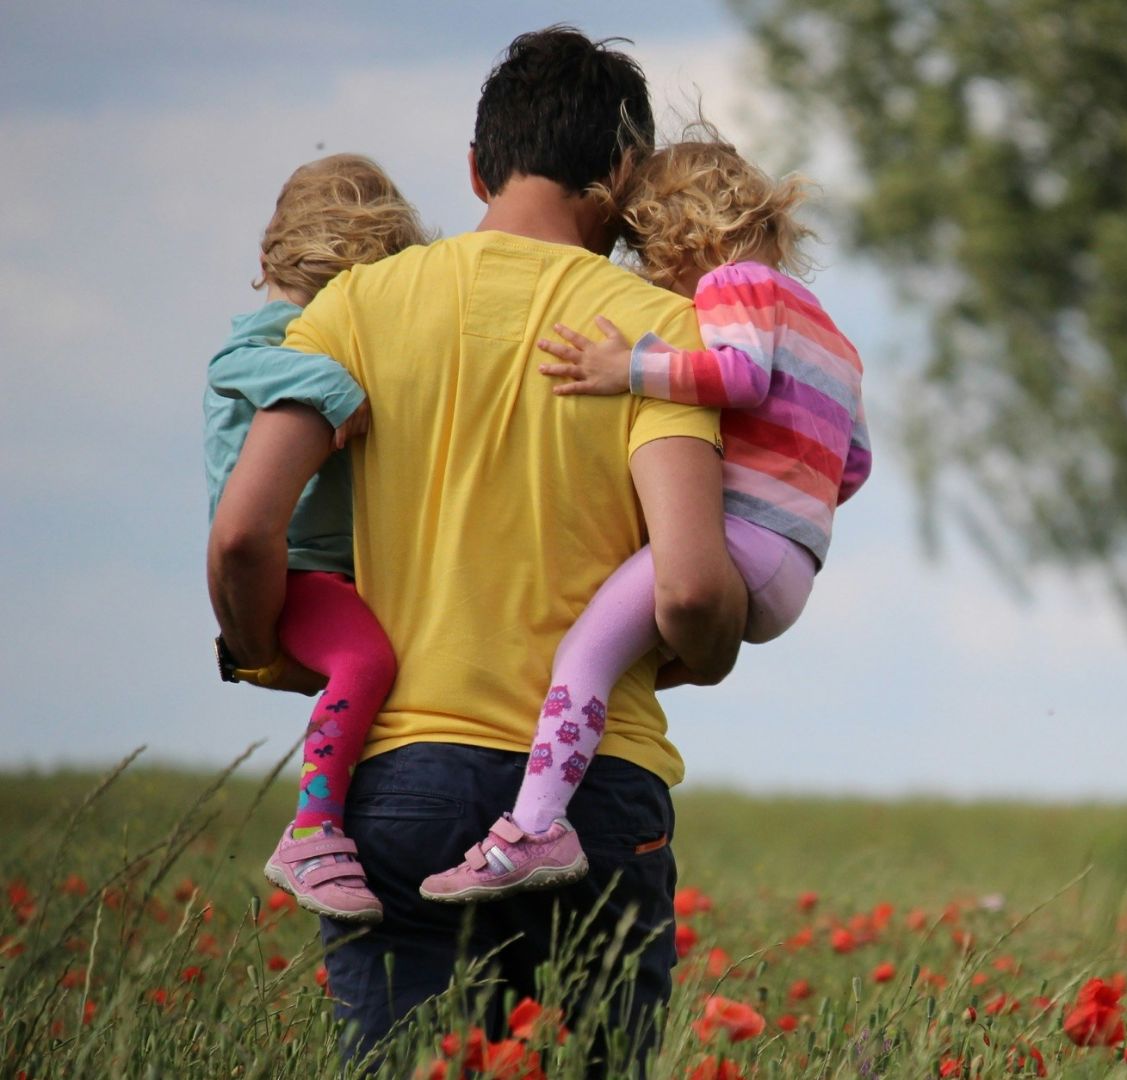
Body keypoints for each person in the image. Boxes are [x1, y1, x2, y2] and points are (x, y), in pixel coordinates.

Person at [205, 26, 746, 1068]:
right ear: (624, 174)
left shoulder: (354, 307)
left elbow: (241, 533)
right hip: (595, 795)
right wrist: (708, 650)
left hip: (398, 781)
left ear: (475, 167)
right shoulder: (656, 332)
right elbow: (687, 587)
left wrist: (269, 647)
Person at [421, 129, 871, 903]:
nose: (649, 272)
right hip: (795, 563)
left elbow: (738, 376)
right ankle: (559, 786)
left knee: (584, 655)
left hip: (739, 541)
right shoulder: (833, 334)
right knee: (623, 659)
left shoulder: (735, 285)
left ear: (682, 233)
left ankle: (534, 828)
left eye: (647, 249)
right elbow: (854, 464)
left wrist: (625, 368)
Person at [204, 154, 427, 923]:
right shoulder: (276, 336)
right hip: (295, 569)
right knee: (366, 660)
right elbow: (234, 363)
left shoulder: (310, 328)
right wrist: (334, 387)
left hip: (333, 570)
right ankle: (313, 829)